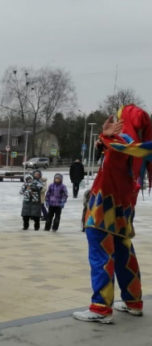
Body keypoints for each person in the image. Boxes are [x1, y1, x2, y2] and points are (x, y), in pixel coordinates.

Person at [73, 107, 151, 323]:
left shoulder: (121, 143)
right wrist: (102, 141)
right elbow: (116, 150)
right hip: (123, 210)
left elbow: (114, 147)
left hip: (103, 211)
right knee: (125, 255)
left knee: (102, 257)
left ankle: (101, 307)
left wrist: (104, 136)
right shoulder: (139, 151)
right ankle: (133, 301)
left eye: (119, 118)